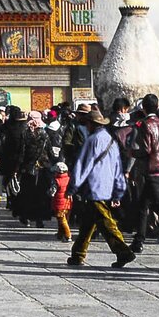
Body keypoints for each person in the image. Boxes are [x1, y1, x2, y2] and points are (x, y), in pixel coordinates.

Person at [66, 106, 137, 269]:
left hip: (94, 187)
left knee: (106, 222)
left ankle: (123, 252)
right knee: (88, 222)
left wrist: (72, 187)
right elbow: (118, 167)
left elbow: (83, 165)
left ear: (90, 124)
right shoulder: (110, 140)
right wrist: (119, 190)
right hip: (107, 187)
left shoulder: (92, 140)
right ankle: (77, 254)